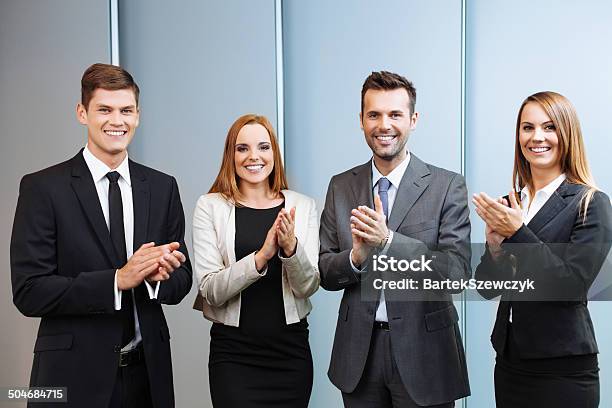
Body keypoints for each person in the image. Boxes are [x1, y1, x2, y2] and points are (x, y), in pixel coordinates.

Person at [10, 63, 192, 408]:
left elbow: (183, 280)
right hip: (70, 377)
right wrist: (116, 280)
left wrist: (158, 277)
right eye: (104, 110)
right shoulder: (42, 188)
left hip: (147, 376)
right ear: (82, 113)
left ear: (138, 115)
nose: (117, 121)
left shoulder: (161, 186)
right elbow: (29, 291)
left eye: (126, 110)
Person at [319, 71, 471, 408]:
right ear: (361, 120)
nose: (384, 125)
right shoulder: (341, 186)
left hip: (425, 353)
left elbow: (456, 272)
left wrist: (388, 242)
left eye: (395, 114)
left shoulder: (447, 186)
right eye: (374, 114)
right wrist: (356, 259)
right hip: (359, 354)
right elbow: (325, 272)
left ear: (413, 120)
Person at [473, 91, 612, 407]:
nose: (537, 137)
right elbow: (485, 288)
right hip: (510, 365)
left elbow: (571, 285)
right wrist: (494, 248)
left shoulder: (590, 203)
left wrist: (518, 233)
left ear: (567, 135)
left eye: (549, 127)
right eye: (527, 127)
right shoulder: (511, 204)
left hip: (562, 371)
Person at [192, 114, 320, 407]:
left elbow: (308, 286)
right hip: (234, 356)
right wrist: (261, 257)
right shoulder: (210, 206)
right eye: (242, 148)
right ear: (231, 155)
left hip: (290, 354)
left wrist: (290, 250)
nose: (254, 156)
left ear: (274, 153)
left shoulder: (302, 205)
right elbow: (210, 289)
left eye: (263, 147)